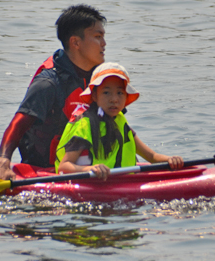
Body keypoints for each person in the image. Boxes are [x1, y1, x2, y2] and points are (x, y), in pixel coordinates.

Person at [0, 4, 107, 180]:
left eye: (103, 37)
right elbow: (18, 124)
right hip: (44, 172)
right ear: (75, 42)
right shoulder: (48, 83)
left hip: (92, 169)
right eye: (98, 37)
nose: (104, 44)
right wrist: (3, 163)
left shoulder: (102, 79)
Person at [55, 62, 184, 180]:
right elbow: (64, 167)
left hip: (119, 183)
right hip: (88, 185)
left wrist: (171, 160)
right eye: (106, 93)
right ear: (94, 96)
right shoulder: (84, 125)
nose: (114, 99)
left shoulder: (120, 122)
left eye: (120, 93)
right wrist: (90, 169)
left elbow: (152, 157)